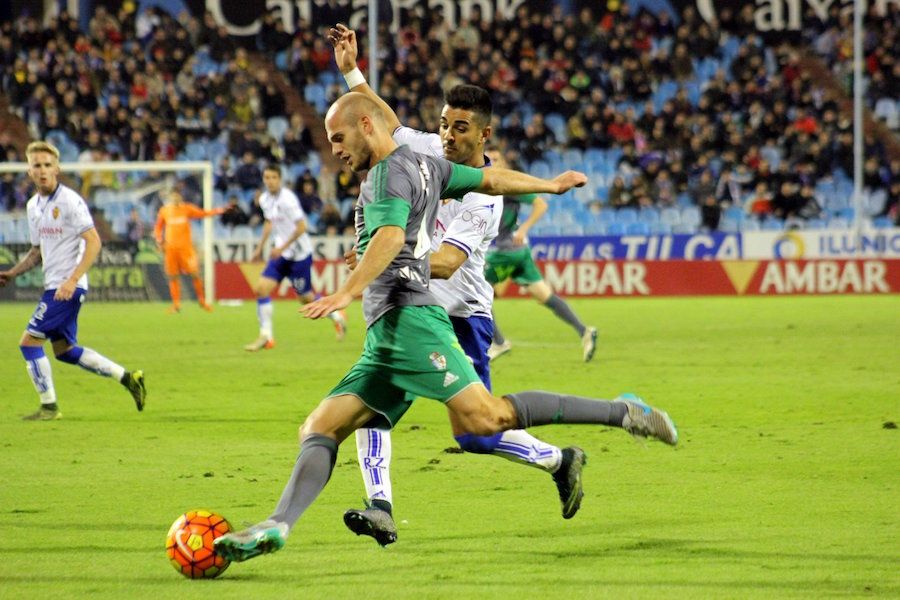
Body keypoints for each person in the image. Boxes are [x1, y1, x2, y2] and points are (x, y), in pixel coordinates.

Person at [213, 92, 677, 562]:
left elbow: (394, 235)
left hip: (412, 320)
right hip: (386, 336)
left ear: (367, 128)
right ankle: (277, 525)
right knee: (321, 426)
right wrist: (549, 185)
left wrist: (346, 291)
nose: (333, 149)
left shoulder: (386, 175)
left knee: (485, 419)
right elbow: (490, 178)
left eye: (339, 137)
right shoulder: (426, 164)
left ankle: (622, 412)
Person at [330, 25, 586, 546]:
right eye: (445, 125)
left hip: (462, 317)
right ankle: (380, 506)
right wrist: (351, 72)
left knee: (475, 434)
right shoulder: (426, 148)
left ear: (483, 137)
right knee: (372, 404)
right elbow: (382, 120)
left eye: (460, 129)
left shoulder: (485, 201)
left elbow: (446, 264)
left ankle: (561, 459)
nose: (447, 136)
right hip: (410, 310)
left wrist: (389, 254)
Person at [0, 141, 147, 421]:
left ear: (57, 168)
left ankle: (49, 407)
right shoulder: (33, 206)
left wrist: (72, 279)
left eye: (47, 165)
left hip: (66, 288)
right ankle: (129, 378)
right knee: (65, 351)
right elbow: (36, 252)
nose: (42, 171)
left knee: (29, 344)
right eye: (36, 166)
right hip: (56, 285)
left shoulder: (69, 201)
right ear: (29, 171)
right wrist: (13, 272)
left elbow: (94, 241)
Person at [484, 150, 598, 363]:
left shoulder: (508, 184)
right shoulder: (489, 183)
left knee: (477, 288)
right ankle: (584, 331)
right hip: (520, 253)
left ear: (505, 163)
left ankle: (498, 342)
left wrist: (524, 229)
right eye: (489, 158)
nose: (492, 162)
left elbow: (540, 204)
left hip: (505, 251)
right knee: (544, 295)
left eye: (497, 159)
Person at [244, 164, 346, 351]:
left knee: (305, 299)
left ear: (280, 179)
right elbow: (269, 222)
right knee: (261, 289)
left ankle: (335, 314)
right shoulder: (265, 199)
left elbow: (302, 227)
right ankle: (266, 336)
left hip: (299, 255)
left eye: (274, 177)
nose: (270, 181)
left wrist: (281, 246)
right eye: (267, 177)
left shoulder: (288, 200)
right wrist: (260, 247)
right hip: (281, 254)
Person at [154, 190, 226, 313]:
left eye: (177, 195)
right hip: (170, 249)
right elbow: (158, 227)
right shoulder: (164, 211)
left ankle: (202, 301)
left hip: (186, 249)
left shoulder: (187, 209)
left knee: (195, 273)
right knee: (172, 276)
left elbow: (203, 213)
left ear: (180, 197)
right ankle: (176, 304)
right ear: (170, 197)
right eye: (173, 196)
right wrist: (159, 240)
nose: (175, 198)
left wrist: (217, 211)